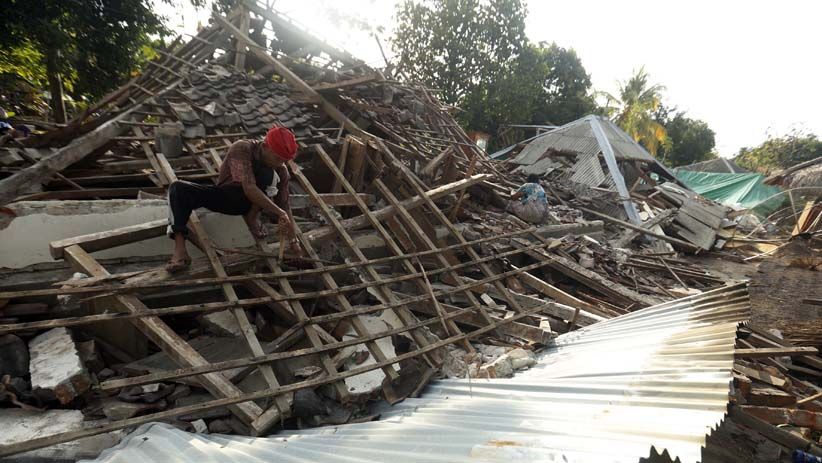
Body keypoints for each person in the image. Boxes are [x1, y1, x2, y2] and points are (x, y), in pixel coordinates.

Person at [165, 126, 301, 272]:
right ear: (265, 146)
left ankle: (252, 218)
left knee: (270, 174)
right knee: (178, 188)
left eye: (284, 160)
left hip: (249, 206)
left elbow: (285, 205)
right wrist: (280, 212)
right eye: (277, 158)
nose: (280, 163)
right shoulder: (242, 148)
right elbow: (249, 187)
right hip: (226, 197)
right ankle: (180, 251)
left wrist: (294, 240)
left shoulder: (280, 169)